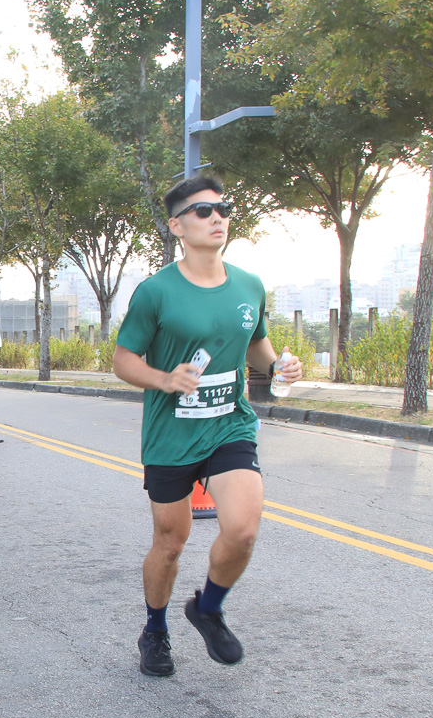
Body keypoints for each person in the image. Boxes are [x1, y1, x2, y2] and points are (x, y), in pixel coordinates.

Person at [112, 176, 302, 678]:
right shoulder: (156, 292)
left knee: (242, 530)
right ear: (177, 226)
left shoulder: (249, 285)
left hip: (229, 425)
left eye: (223, 208)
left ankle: (208, 608)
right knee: (170, 543)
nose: (217, 217)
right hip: (171, 435)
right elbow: (123, 360)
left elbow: (256, 345)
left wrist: (278, 365)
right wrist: (164, 378)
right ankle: (155, 630)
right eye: (202, 211)